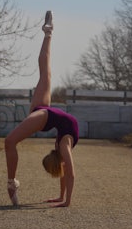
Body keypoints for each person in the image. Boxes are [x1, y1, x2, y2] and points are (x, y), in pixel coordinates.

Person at [5, 11, 79, 207]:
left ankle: (12, 184)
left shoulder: (63, 146)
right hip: (45, 114)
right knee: (45, 71)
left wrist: (62, 197)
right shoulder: (64, 147)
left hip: (46, 115)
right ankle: (48, 32)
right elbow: (70, 172)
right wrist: (66, 201)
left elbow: (65, 171)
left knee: (10, 141)